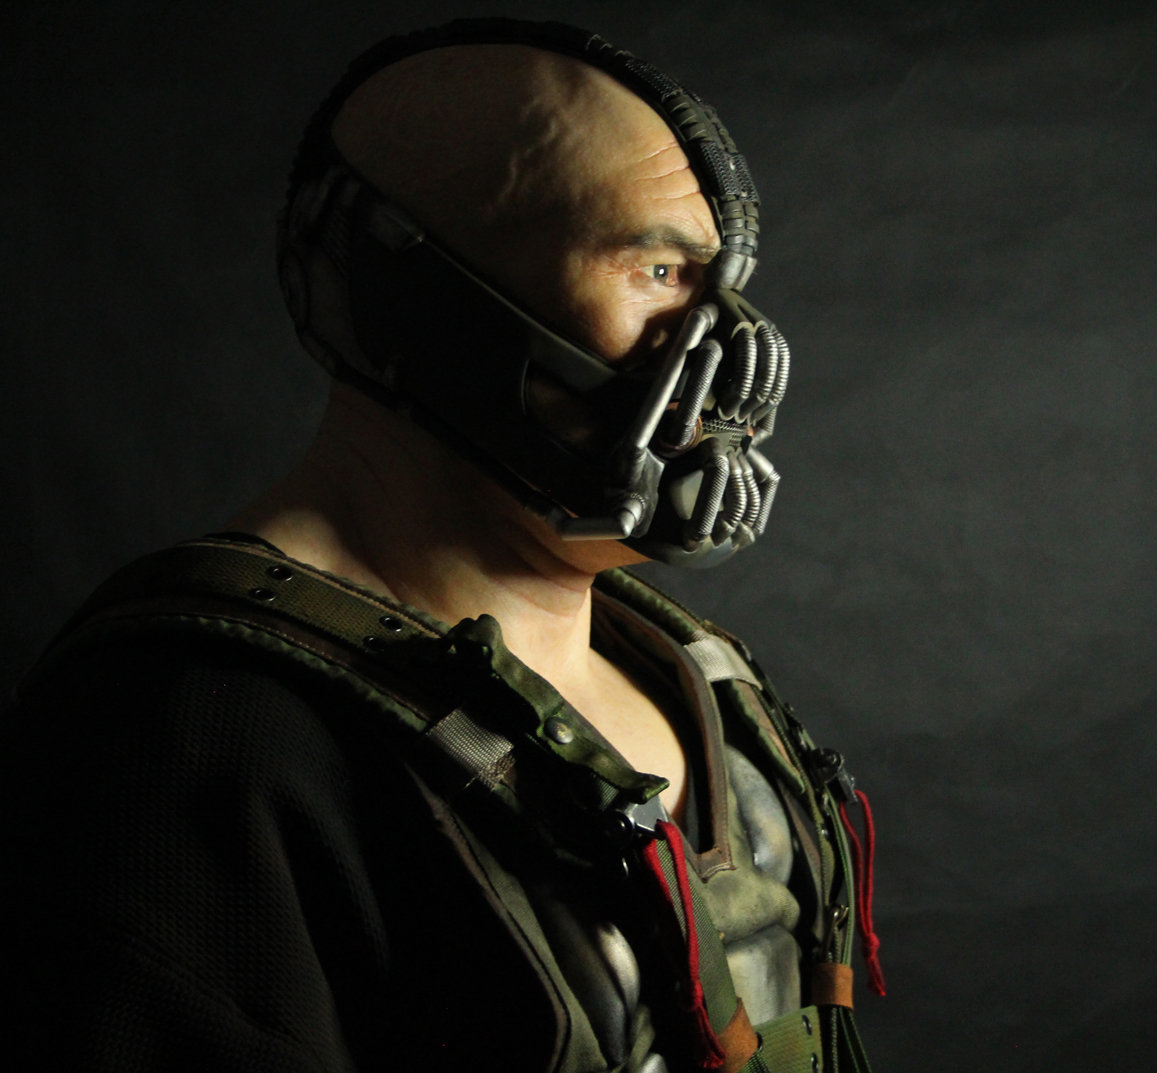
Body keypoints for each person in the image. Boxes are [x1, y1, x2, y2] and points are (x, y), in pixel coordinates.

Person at [0, 18, 880, 1073]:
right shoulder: (200, 730)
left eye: (720, 282)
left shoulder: (696, 675)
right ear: (422, 304)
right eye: (657, 270)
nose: (731, 347)